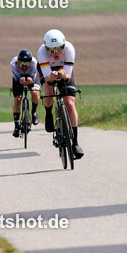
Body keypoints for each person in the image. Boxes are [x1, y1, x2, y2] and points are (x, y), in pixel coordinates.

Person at [37, 29, 83, 160]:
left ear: (63, 45)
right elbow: (47, 79)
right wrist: (50, 77)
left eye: (59, 49)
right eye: (52, 50)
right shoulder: (41, 52)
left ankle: (75, 143)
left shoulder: (69, 49)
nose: (56, 53)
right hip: (48, 70)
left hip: (63, 69)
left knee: (69, 102)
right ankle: (48, 113)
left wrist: (64, 74)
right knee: (49, 91)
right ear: (46, 48)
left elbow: (68, 75)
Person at [10, 49, 41, 138]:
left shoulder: (34, 63)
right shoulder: (13, 63)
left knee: (34, 93)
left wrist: (30, 80)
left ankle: (34, 112)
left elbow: (34, 75)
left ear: (30, 62)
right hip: (18, 77)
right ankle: (16, 126)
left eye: (27, 63)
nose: (24, 66)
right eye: (22, 63)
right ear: (18, 61)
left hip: (32, 76)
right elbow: (16, 76)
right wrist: (20, 80)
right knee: (18, 98)